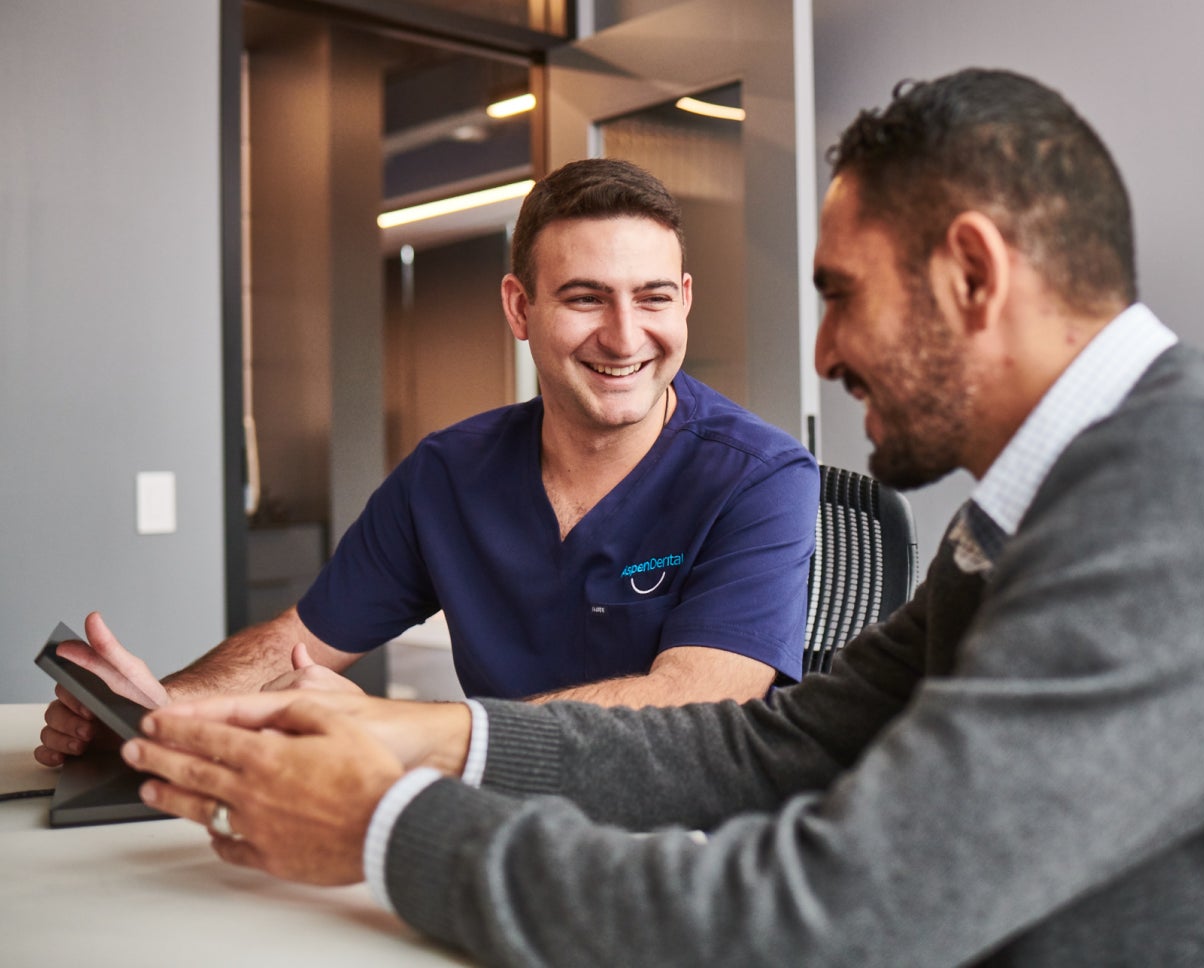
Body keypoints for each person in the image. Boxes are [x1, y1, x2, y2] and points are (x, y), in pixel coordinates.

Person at [122, 68, 1204, 966]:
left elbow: (828, 923)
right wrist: (420, 737)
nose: (819, 354)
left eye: (840, 294)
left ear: (970, 274)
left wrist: (388, 822)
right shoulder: (1031, 510)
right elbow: (769, 748)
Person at [36, 158, 818, 767]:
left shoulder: (759, 476)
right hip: (496, 814)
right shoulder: (449, 473)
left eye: (652, 298)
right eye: (585, 298)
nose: (623, 336)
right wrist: (157, 707)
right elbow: (299, 642)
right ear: (520, 307)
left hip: (686, 836)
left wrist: (399, 729)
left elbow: (694, 700)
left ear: (684, 300)